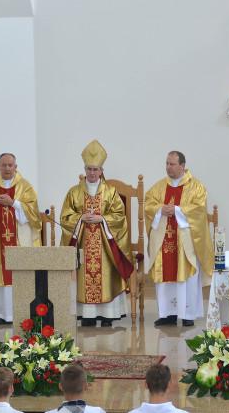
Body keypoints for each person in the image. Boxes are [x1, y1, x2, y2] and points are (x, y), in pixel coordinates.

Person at [60, 140, 133, 327]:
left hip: (105, 246)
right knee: (84, 273)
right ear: (84, 169)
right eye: (89, 169)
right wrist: (80, 218)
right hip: (83, 244)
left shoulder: (110, 192)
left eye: (95, 169)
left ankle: (108, 314)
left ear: (101, 171)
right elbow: (65, 217)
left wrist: (103, 219)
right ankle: (87, 315)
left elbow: (119, 216)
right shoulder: (74, 192)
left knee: (106, 273)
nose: (92, 173)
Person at [145, 151, 213, 327]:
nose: (168, 167)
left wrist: (176, 210)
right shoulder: (159, 186)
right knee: (165, 273)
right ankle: (167, 314)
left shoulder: (196, 187)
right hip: (164, 239)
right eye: (167, 163)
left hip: (185, 241)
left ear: (182, 166)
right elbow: (148, 203)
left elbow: (199, 209)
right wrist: (160, 209)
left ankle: (188, 314)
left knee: (186, 276)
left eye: (172, 164)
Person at [0, 153, 42, 325]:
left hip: (20, 241)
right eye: (3, 165)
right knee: (0, 275)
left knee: (19, 275)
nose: (7, 168)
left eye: (10, 165)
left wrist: (14, 203)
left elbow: (34, 213)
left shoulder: (25, 186)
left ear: (15, 167)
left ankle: (21, 313)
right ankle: (2, 314)